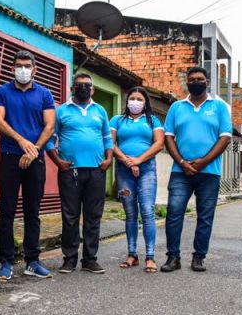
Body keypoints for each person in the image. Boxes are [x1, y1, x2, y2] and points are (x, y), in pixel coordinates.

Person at [0, 50, 56, 280]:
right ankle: (6, 261)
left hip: (35, 159)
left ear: (34, 69)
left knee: (32, 212)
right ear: (12, 68)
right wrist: (22, 141)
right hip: (9, 156)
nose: (23, 69)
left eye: (27, 66)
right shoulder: (1, 92)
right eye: (19, 65)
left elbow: (49, 126)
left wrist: (34, 149)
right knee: (6, 210)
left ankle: (32, 260)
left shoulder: (44, 94)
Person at [161, 66, 232, 273]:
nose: (196, 82)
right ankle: (173, 257)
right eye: (192, 79)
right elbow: (168, 137)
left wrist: (203, 161)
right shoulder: (176, 107)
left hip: (210, 172)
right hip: (180, 172)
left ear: (207, 82)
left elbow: (225, 138)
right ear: (187, 83)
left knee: (205, 216)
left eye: (200, 79)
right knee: (174, 213)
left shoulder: (219, 107)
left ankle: (199, 257)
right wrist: (182, 162)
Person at [47, 73, 114, 274]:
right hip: (70, 171)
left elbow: (107, 138)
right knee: (70, 216)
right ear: (72, 89)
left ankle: (90, 259)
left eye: (87, 85)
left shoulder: (100, 111)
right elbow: (50, 141)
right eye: (79, 85)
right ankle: (69, 259)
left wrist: (109, 159)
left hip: (96, 171)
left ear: (92, 89)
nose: (83, 88)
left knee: (93, 216)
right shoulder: (61, 111)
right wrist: (58, 162)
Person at [110, 87, 164, 273]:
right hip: (124, 171)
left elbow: (159, 143)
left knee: (147, 211)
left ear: (145, 102)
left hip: (147, 170)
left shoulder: (153, 120)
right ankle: (132, 254)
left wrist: (139, 160)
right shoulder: (117, 120)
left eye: (139, 99)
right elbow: (110, 142)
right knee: (130, 212)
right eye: (131, 98)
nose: (135, 101)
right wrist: (127, 161)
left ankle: (150, 257)